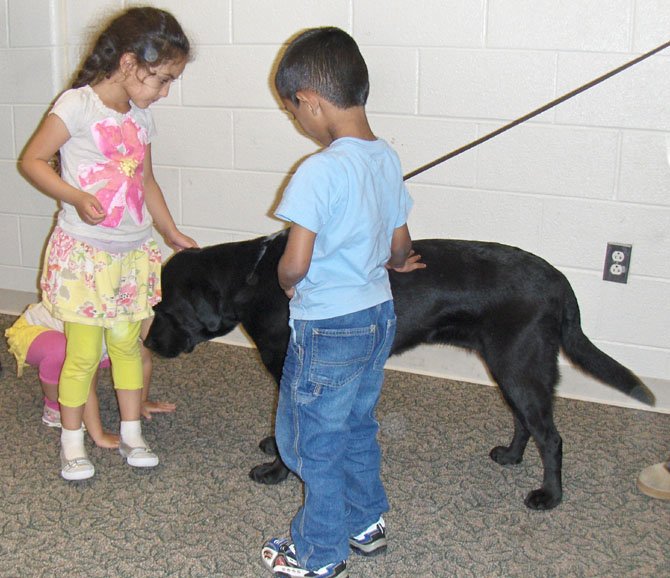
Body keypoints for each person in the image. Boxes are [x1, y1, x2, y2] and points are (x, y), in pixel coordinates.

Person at [260, 27, 425, 578]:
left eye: (293, 113)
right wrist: (398, 262)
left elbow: (296, 261)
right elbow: (401, 244)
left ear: (310, 102)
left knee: (308, 440)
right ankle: (366, 521)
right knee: (356, 422)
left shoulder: (319, 170)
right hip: (378, 316)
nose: (299, 124)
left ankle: (318, 552)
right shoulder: (386, 157)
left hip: (328, 327)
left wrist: (286, 283)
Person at [20, 7, 196, 481]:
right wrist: (75, 196)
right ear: (128, 63)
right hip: (86, 256)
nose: (163, 91)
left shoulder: (140, 118)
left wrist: (169, 229)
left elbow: (147, 181)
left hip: (132, 254)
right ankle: (72, 443)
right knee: (81, 354)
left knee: (126, 347)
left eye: (170, 81)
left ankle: (133, 433)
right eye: (160, 79)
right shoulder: (76, 105)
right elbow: (33, 160)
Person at [5, 304, 176, 447]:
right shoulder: (99, 328)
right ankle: (53, 406)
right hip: (35, 332)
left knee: (129, 353)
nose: (156, 341)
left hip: (97, 336)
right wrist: (99, 435)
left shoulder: (138, 321)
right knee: (64, 354)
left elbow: (143, 363)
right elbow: (85, 382)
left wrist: (140, 401)